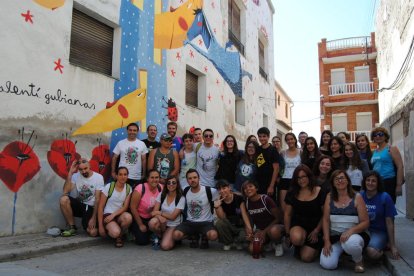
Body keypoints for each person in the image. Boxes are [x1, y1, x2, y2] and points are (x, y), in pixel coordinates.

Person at [320, 170, 369, 273]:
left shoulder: (357, 197)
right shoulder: (329, 197)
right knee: (328, 264)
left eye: (342, 178)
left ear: (348, 181)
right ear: (333, 183)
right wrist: (327, 240)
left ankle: (358, 260)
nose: (340, 181)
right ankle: (342, 254)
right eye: (336, 179)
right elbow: (325, 220)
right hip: (335, 238)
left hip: (354, 236)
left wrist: (350, 231)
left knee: (352, 244)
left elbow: (365, 222)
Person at [284, 165, 327, 262]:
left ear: (309, 176)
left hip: (316, 226)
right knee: (296, 238)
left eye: (303, 176)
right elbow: (287, 214)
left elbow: (325, 214)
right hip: (299, 224)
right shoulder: (292, 192)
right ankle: (299, 245)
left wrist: (317, 230)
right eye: (298, 178)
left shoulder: (320, 191)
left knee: (306, 258)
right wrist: (287, 235)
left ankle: (317, 247)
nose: (301, 180)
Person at [173, 169, 219, 249]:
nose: (192, 180)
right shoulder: (185, 191)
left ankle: (204, 236)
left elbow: (223, 192)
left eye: (194, 177)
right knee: (176, 235)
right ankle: (193, 235)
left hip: (206, 222)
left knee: (213, 236)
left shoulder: (209, 190)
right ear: (187, 180)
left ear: (199, 178)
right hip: (190, 223)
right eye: (190, 178)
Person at [360, 171, 399, 260]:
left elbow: (390, 222)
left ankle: (381, 248)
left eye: (373, 181)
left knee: (372, 253)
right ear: (364, 182)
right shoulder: (360, 195)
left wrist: (393, 246)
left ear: (378, 183)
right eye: (368, 180)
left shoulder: (385, 197)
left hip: (379, 232)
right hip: (363, 230)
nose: (370, 183)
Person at [60, 159, 104, 237]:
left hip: (91, 208)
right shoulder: (75, 176)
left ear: (90, 166)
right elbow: (65, 191)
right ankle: (72, 227)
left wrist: (93, 218)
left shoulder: (98, 177)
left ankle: (102, 227)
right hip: (81, 205)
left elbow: (98, 199)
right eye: (80, 169)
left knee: (92, 232)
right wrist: (70, 172)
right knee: (63, 199)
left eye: (85, 168)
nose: (83, 172)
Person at [241, 180, 285, 257]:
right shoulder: (247, 202)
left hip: (275, 227)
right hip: (261, 229)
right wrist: (249, 232)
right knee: (253, 250)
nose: (248, 189)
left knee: (274, 231)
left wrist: (264, 231)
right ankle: (268, 243)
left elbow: (279, 218)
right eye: (245, 188)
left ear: (256, 188)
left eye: (250, 186)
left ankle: (278, 243)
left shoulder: (265, 199)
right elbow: (249, 219)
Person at [98, 167, 132, 247]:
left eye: (125, 174)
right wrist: (100, 226)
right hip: (107, 215)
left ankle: (119, 236)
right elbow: (100, 207)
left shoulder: (128, 188)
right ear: (116, 176)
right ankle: (117, 233)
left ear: (127, 176)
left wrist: (113, 215)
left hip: (118, 215)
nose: (123, 177)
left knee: (128, 217)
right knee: (115, 232)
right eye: (120, 174)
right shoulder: (109, 187)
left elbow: (125, 207)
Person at [148, 176, 185, 250]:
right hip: (163, 223)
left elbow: (173, 217)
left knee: (165, 246)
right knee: (152, 223)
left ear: (177, 184)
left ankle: (171, 238)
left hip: (173, 225)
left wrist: (160, 213)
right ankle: (159, 235)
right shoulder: (162, 194)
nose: (171, 185)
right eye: (169, 183)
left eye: (174, 183)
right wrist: (159, 217)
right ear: (166, 184)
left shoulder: (181, 198)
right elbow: (153, 213)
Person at [370, 127, 404, 203]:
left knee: (388, 207)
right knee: (378, 207)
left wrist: (399, 185)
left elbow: (400, 166)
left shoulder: (391, 149)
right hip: (377, 182)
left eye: (380, 134)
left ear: (385, 136)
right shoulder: (374, 152)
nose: (378, 136)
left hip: (389, 182)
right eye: (375, 135)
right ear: (373, 138)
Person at [130, 170, 163, 245]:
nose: (154, 180)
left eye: (157, 177)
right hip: (140, 217)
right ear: (147, 179)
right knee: (142, 242)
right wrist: (140, 224)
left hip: (152, 217)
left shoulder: (160, 187)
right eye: (152, 177)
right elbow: (133, 208)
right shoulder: (140, 188)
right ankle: (132, 231)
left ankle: (153, 233)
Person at [111, 123, 147, 188]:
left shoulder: (142, 144)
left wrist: (144, 174)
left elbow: (144, 160)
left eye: (134, 130)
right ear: (127, 131)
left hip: (136, 176)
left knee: (134, 196)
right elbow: (114, 157)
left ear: (137, 131)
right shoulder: (120, 143)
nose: (132, 132)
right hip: (122, 176)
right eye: (130, 130)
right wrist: (113, 172)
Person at [214, 179, 247, 250]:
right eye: (219, 189)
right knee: (219, 223)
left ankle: (237, 242)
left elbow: (245, 216)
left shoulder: (239, 198)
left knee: (244, 235)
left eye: (224, 188)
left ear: (229, 188)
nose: (222, 191)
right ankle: (228, 242)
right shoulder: (219, 201)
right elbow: (222, 218)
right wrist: (217, 207)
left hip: (240, 226)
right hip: (230, 226)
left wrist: (248, 228)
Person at [279, 132, 301, 212]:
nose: (290, 141)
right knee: (283, 206)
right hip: (285, 180)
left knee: (297, 204)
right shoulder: (282, 153)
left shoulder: (301, 152)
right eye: (288, 140)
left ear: (295, 140)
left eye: (291, 139)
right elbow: (279, 167)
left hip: (297, 180)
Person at [256, 127, 280, 199]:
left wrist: (271, 186)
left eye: (264, 136)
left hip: (269, 184)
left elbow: (276, 169)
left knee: (269, 206)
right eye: (260, 136)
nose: (262, 138)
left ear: (268, 136)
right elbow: (259, 165)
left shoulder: (273, 150)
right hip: (258, 183)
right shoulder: (258, 149)